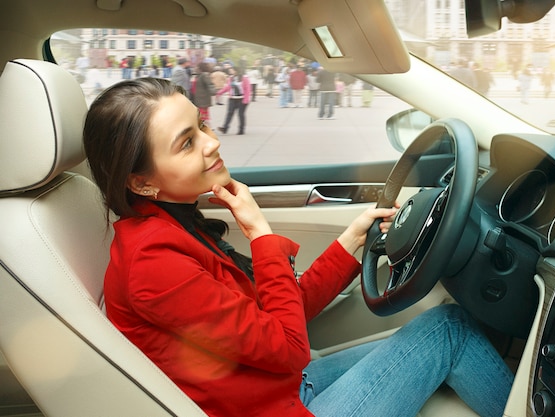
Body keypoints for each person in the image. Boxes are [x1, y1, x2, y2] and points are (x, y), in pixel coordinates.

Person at [82, 77, 513, 417]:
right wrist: (260, 233)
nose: (212, 141)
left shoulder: (172, 226)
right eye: (187, 142)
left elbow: (278, 312)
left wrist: (353, 240)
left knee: (447, 326)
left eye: (202, 124)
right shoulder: (153, 262)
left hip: (281, 390)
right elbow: (289, 347)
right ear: (141, 182)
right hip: (277, 401)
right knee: (451, 330)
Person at [216, 66, 251, 135]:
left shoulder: (244, 78)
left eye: (231, 70)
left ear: (236, 71)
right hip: (232, 99)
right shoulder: (231, 78)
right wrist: (219, 93)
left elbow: (248, 89)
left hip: (241, 99)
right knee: (229, 113)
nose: (230, 72)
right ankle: (225, 128)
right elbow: (228, 87)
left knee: (240, 114)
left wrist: (246, 99)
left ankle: (241, 129)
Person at [191, 61, 215, 128]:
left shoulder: (205, 75)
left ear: (201, 67)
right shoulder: (199, 75)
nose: (196, 68)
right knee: (202, 116)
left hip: (203, 99)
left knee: (203, 116)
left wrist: (213, 91)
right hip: (199, 99)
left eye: (197, 67)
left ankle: (208, 128)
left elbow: (210, 84)